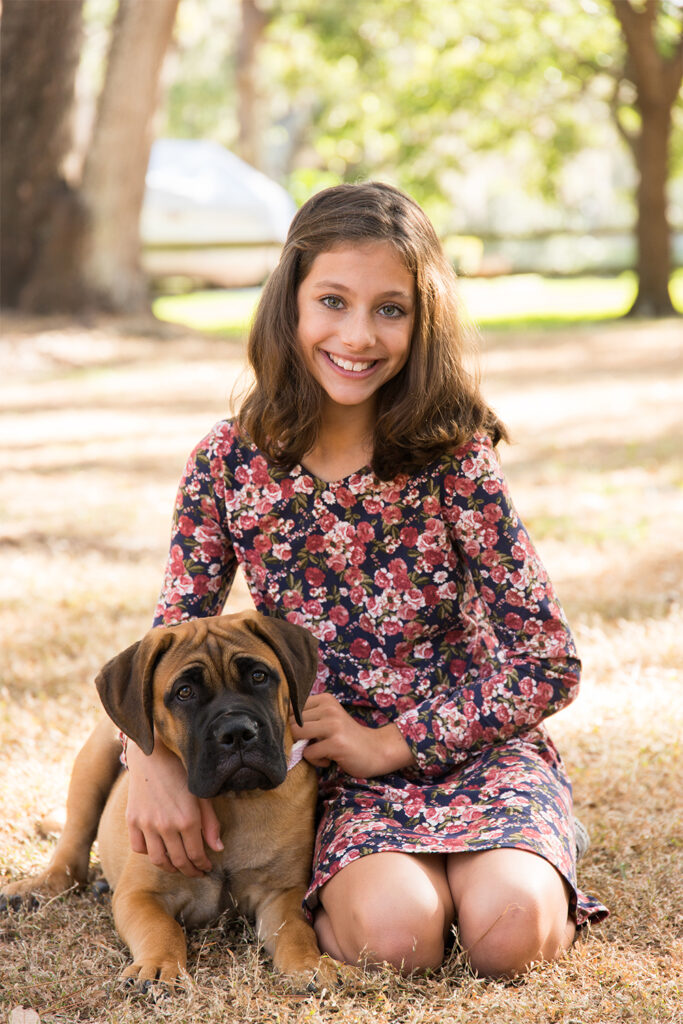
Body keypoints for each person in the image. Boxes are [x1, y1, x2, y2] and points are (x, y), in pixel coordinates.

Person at [124, 181, 607, 979]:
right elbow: (171, 632)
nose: (358, 335)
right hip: (331, 772)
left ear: (423, 323)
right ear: (290, 305)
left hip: (475, 751)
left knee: (507, 936)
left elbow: (546, 660)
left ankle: (537, 842)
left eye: (391, 309)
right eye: (333, 301)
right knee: (395, 941)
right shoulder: (227, 462)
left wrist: (396, 742)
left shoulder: (454, 460)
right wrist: (147, 761)